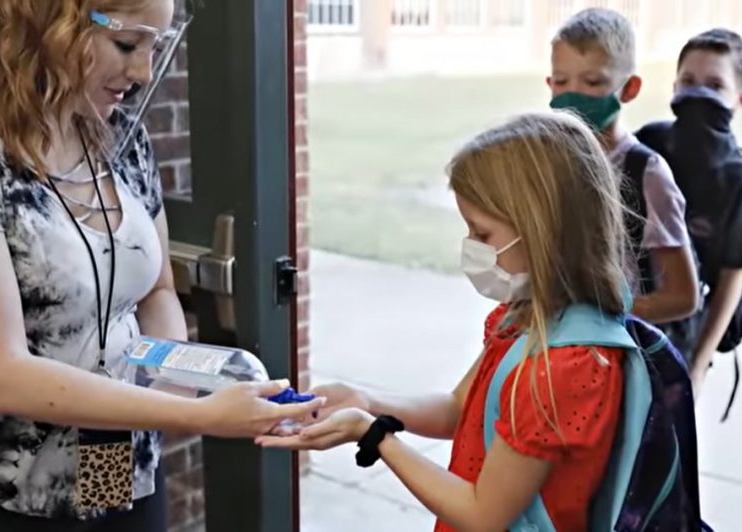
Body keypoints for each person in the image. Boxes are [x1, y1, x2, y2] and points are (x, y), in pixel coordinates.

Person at [0, 1, 322, 530]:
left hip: (113, 459)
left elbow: (156, 291)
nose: (143, 72)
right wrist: (197, 414)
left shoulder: (118, 136)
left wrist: (176, 377)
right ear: (48, 22)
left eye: (157, 46)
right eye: (129, 45)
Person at [261, 110, 643, 531]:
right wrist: (367, 402)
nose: (469, 247)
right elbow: (458, 410)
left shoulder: (566, 366)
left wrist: (374, 436)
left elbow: (483, 515)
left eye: (482, 234)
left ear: (544, 232)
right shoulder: (526, 318)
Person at [636, 29, 742, 398]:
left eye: (715, 85)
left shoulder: (741, 182)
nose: (698, 94)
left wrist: (697, 367)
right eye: (688, 82)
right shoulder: (650, 144)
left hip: (681, 331)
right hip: (631, 309)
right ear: (673, 88)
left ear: (740, 100)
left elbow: (733, 280)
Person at [547, 8, 700, 334]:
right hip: (554, 343)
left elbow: (684, 296)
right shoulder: (547, 162)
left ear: (629, 89)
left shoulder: (648, 175)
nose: (573, 94)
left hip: (618, 347)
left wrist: (603, 315)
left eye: (592, 81)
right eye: (561, 81)